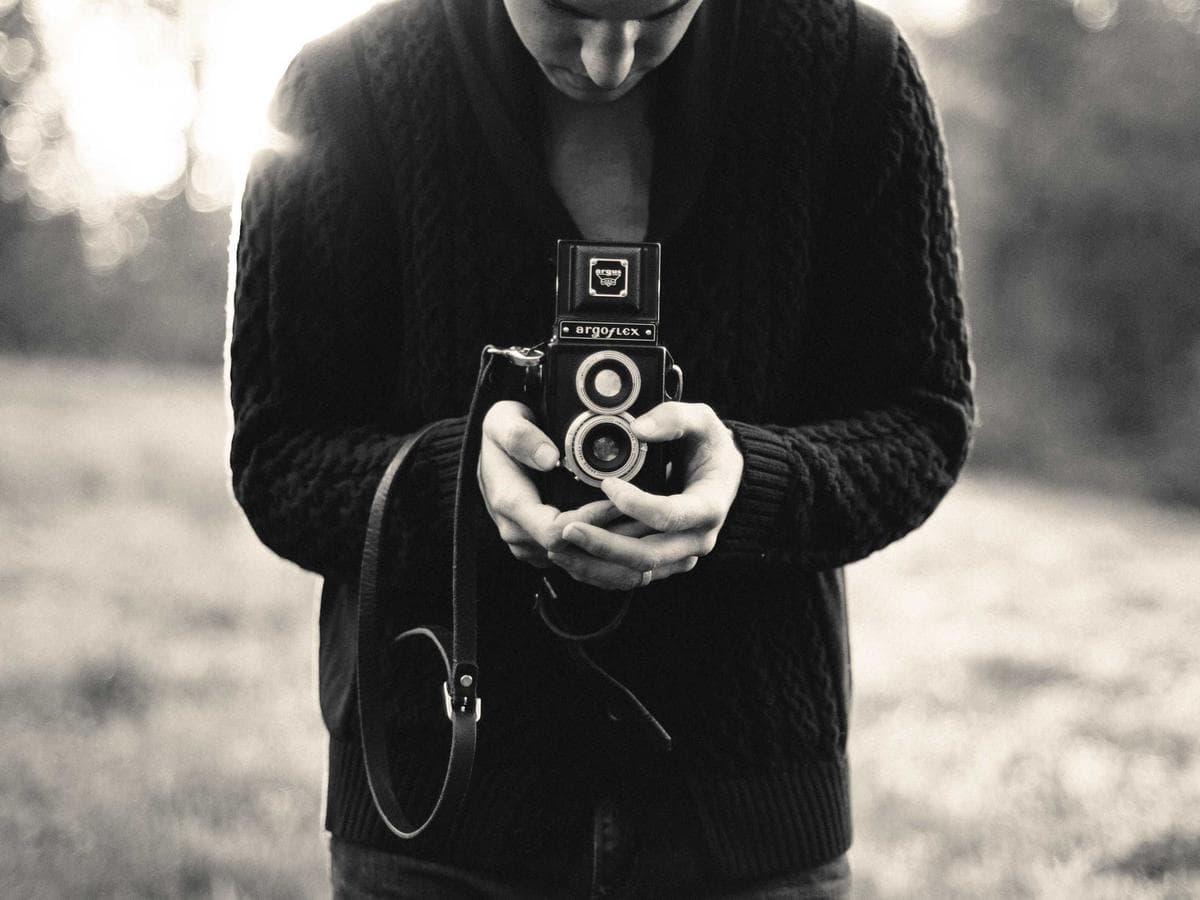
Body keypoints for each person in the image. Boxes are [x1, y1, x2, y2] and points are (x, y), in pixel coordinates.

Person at [227, 0, 974, 896]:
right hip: (438, 813)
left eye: (660, 12)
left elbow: (922, 414)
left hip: (745, 815)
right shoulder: (344, 88)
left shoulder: (852, 69)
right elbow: (279, 450)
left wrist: (750, 488)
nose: (610, 58)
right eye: (568, 11)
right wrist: (458, 483)